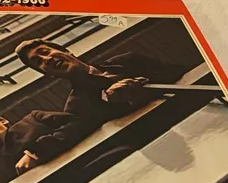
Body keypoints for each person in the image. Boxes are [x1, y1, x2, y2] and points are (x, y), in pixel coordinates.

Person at [15, 37, 183, 124]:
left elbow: (178, 72)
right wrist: (110, 101)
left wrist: (144, 82)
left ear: (67, 51)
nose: (47, 59)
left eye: (45, 52)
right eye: (38, 62)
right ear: (48, 74)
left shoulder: (128, 60)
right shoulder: (76, 107)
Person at [0, 107, 96, 175]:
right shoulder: (8, 171)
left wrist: (35, 153)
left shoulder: (33, 119)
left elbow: (80, 122)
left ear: (1, 120)